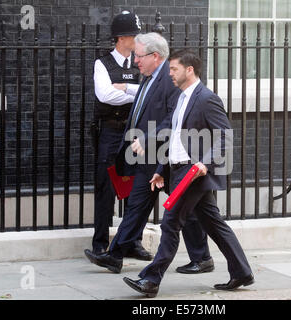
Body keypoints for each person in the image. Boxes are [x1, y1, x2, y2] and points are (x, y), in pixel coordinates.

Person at [123, 49, 254, 298]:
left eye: (174, 69)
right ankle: (242, 271)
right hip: (179, 168)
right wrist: (162, 169)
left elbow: (224, 135)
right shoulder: (182, 98)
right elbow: (175, 140)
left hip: (194, 173)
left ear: (189, 70)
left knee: (171, 222)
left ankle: (151, 279)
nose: (170, 73)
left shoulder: (206, 98)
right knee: (213, 224)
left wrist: (205, 164)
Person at [85, 33, 213, 274]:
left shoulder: (170, 78)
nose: (135, 61)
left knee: (191, 208)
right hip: (146, 154)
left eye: (139, 56)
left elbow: (173, 117)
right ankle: (115, 255)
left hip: (165, 155)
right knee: (137, 203)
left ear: (155, 56)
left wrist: (149, 138)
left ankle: (202, 257)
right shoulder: (149, 76)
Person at [84, 11, 151, 260]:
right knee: (106, 187)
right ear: (122, 38)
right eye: (135, 35)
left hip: (135, 132)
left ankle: (133, 241)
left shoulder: (141, 62)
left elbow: (149, 92)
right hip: (111, 131)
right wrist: (137, 95)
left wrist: (127, 89)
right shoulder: (102, 64)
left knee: (138, 188)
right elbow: (105, 96)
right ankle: (100, 243)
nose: (138, 40)